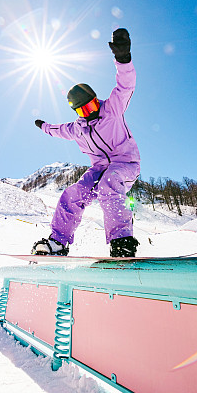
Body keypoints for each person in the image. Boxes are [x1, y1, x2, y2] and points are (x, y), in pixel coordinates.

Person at [32, 28, 140, 257]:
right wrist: (43, 126)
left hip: (125, 165)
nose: (88, 113)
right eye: (82, 110)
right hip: (99, 169)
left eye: (91, 106)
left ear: (95, 101)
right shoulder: (78, 129)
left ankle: (122, 241)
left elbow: (126, 86)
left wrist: (123, 59)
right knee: (73, 193)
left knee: (109, 183)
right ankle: (58, 242)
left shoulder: (112, 108)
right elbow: (58, 130)